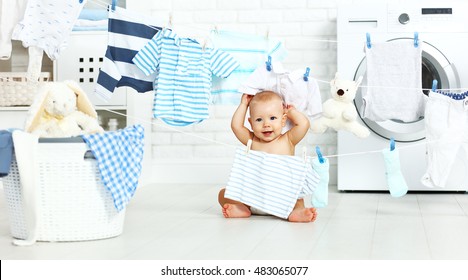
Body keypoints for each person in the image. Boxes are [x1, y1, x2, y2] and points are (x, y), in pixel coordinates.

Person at [218, 91, 318, 223]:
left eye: (272, 118)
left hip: (283, 200)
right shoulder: (252, 140)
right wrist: (243, 105)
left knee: (298, 197)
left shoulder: (288, 140)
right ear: (251, 123)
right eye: (259, 119)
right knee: (223, 194)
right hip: (253, 198)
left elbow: (304, 124)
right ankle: (242, 208)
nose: (266, 124)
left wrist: (291, 112)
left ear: (283, 120)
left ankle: (295, 211)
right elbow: (236, 126)